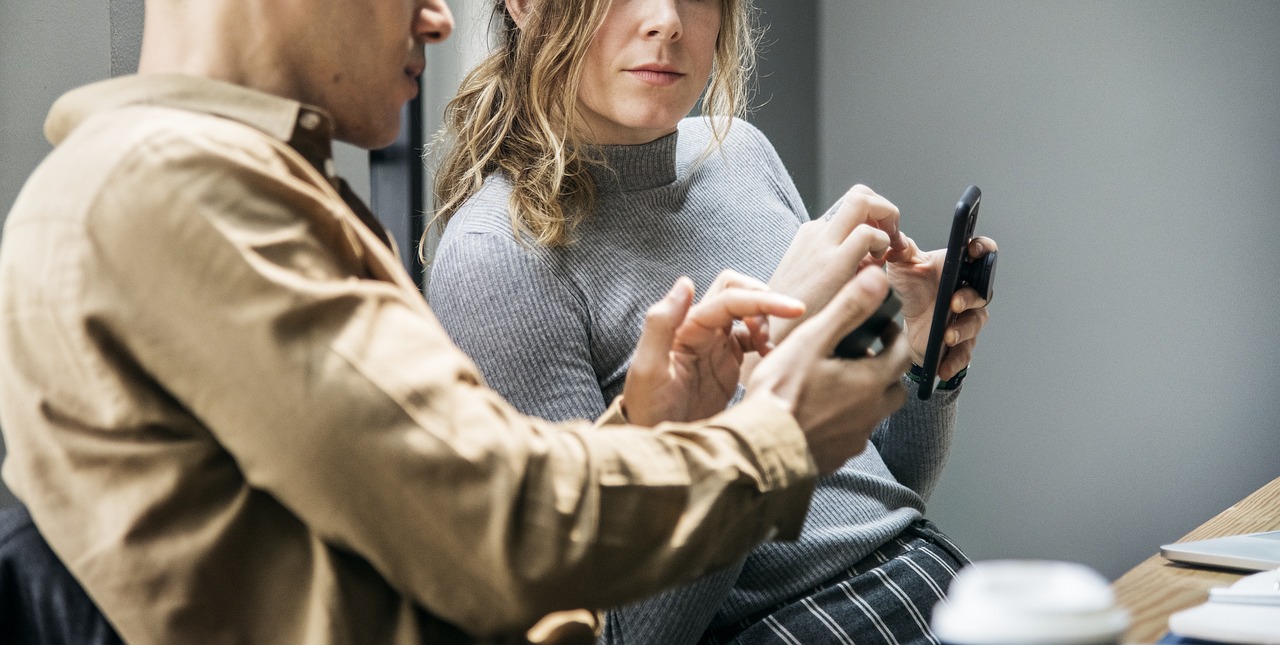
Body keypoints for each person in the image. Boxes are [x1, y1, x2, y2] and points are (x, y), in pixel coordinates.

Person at [0, 0, 921, 643]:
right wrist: (772, 433)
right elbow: (494, 522)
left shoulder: (222, 183)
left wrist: (643, 427)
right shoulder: (171, 189)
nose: (440, 18)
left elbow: (429, 500)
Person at [426, 0, 997, 643]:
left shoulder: (742, 153)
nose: (666, 20)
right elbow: (616, 632)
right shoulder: (496, 258)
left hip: (934, 576)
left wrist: (919, 363)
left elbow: (877, 492)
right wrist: (765, 355)